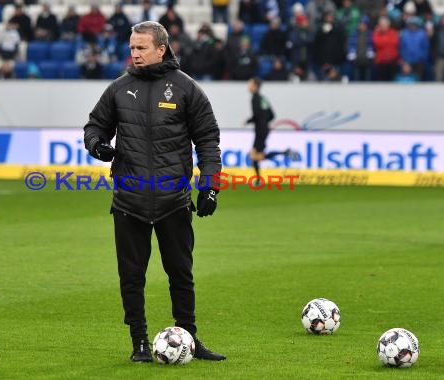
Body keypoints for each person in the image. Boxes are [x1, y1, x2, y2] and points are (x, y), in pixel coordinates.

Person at [83, 21, 225, 363]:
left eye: (141, 48)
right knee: (131, 277)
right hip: (129, 201)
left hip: (173, 201)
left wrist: (210, 187)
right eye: (132, 47)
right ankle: (139, 344)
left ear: (161, 49)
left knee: (181, 274)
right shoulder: (118, 88)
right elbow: (94, 126)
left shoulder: (186, 88)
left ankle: (188, 338)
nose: (135, 53)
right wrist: (97, 144)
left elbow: (208, 140)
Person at [245, 77, 299, 183]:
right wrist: (264, 122)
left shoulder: (255, 99)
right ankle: (258, 179)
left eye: (250, 84)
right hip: (264, 128)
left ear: (255, 86)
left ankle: (285, 153)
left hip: (260, 130)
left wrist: (249, 121)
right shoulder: (263, 99)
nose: (248, 86)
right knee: (255, 156)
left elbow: (256, 115)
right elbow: (272, 115)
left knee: (254, 156)